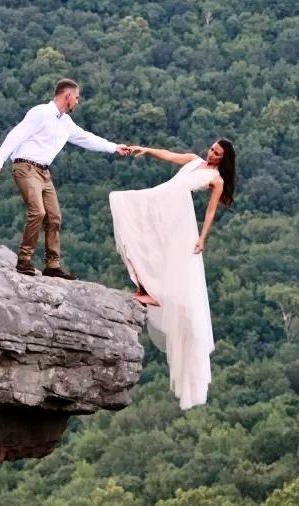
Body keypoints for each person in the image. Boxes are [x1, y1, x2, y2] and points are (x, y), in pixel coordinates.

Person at [109, 139, 237, 409]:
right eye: (212, 148)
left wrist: (202, 238)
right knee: (123, 207)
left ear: (223, 159)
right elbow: (169, 155)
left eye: (217, 153)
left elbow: (211, 210)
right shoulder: (193, 160)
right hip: (160, 201)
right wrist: (146, 150)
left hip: (178, 218)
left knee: (165, 259)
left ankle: (153, 294)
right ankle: (145, 289)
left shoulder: (216, 178)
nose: (211, 153)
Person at [0, 78, 130, 280]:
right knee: (38, 212)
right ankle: (24, 260)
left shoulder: (66, 123)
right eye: (77, 98)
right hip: (25, 166)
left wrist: (114, 147)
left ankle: (52, 265)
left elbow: (86, 138)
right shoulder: (40, 113)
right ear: (67, 95)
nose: (78, 102)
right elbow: (17, 134)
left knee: (54, 217)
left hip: (44, 172)